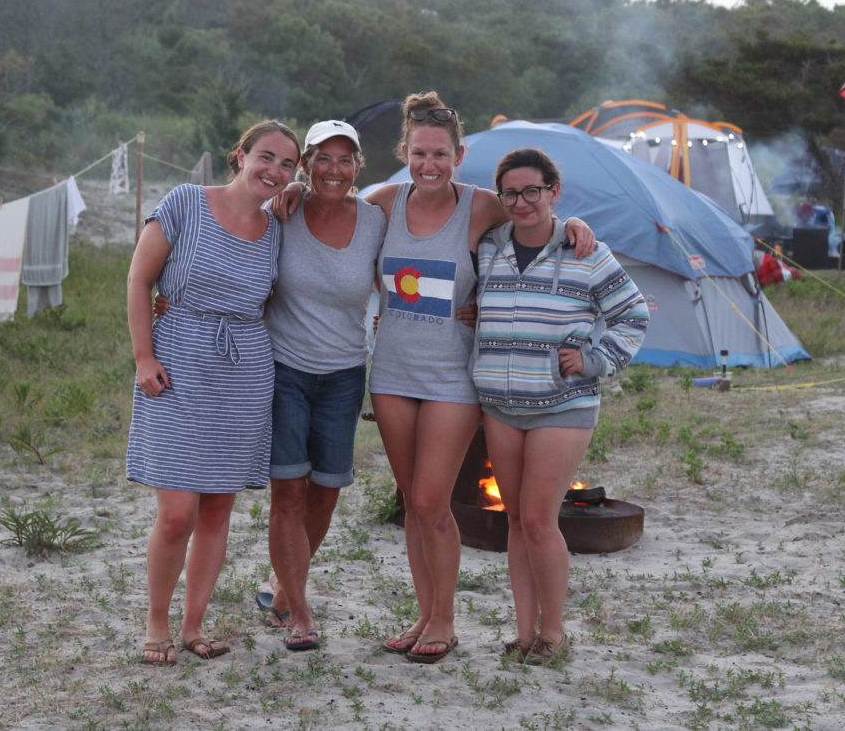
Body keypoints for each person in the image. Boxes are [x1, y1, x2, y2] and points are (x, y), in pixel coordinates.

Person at [365, 93, 596, 663]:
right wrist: (292, 194)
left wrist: (574, 223)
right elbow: (329, 216)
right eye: (420, 153)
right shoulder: (383, 202)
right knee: (412, 504)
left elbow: (536, 216)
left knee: (432, 499)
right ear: (404, 153)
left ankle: (445, 620)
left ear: (459, 155)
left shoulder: (482, 206)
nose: (430, 165)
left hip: (453, 375)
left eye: (440, 154)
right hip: (392, 372)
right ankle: (423, 614)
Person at [126, 120, 300, 665]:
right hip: (177, 362)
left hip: (243, 375)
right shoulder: (185, 202)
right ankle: (156, 622)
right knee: (178, 512)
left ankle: (193, 625)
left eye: (288, 165)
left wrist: (299, 189)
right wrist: (143, 356)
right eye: (266, 157)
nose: (275, 170)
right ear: (240, 156)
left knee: (218, 510)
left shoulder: (278, 229)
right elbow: (139, 280)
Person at [472, 148, 649, 664]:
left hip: (562, 405)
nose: (521, 202)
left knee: (538, 519)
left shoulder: (586, 251)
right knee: (514, 521)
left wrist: (595, 360)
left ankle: (553, 633)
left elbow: (633, 314)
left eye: (532, 191)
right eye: (510, 193)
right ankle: (523, 631)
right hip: (499, 404)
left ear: (553, 191)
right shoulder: (487, 248)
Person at [260, 120, 387, 651]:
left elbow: (418, 264)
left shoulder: (376, 220)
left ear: (358, 166)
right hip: (284, 369)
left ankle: (281, 588)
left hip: (343, 375)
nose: (335, 170)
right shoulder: (279, 213)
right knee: (289, 492)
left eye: (345, 160)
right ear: (307, 165)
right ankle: (299, 609)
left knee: (326, 493)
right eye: (323, 159)